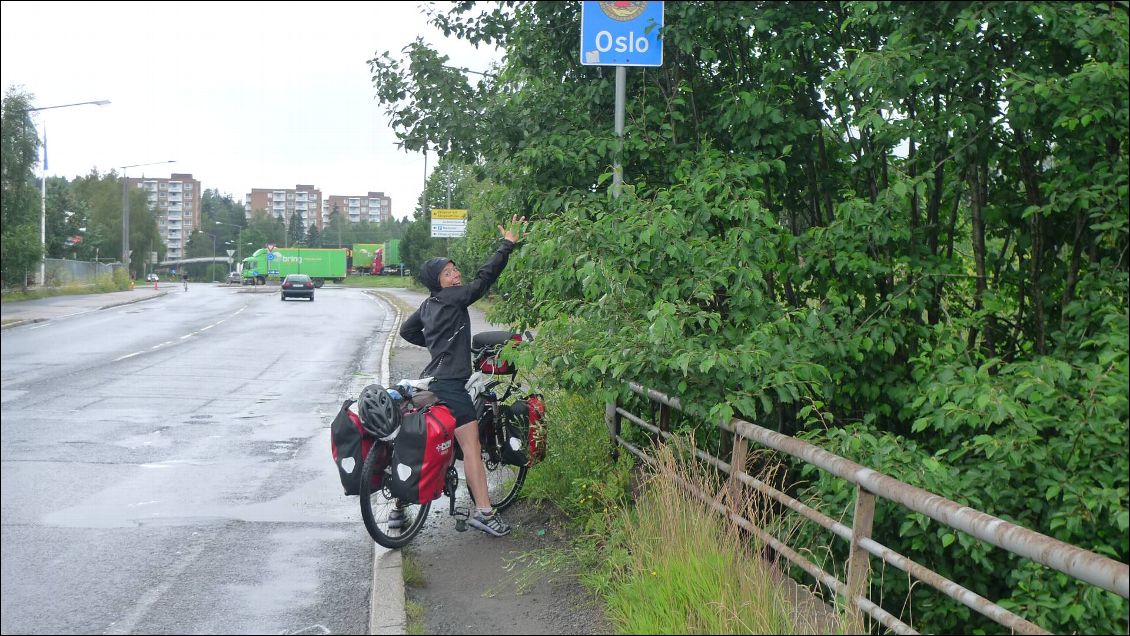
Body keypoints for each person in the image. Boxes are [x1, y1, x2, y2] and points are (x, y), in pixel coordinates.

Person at [399, 214, 527, 536]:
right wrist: (506, 246)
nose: (455, 274)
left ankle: (401, 505)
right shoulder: (453, 298)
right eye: (448, 272)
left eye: (455, 269)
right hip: (453, 385)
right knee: (471, 447)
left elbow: (407, 330)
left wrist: (436, 344)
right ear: (437, 280)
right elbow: (484, 280)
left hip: (432, 381)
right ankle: (484, 511)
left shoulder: (429, 305)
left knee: (436, 438)